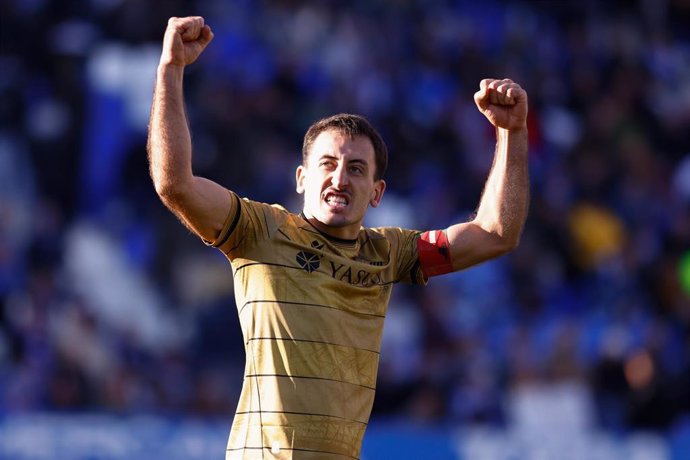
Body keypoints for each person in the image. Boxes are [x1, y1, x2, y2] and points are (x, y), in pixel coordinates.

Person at [147, 16, 529, 460]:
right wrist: (171, 69)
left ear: (378, 192)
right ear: (301, 178)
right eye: (327, 164)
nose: (340, 178)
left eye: (357, 169)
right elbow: (175, 184)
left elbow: (495, 233)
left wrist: (511, 133)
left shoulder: (390, 253)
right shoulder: (258, 231)